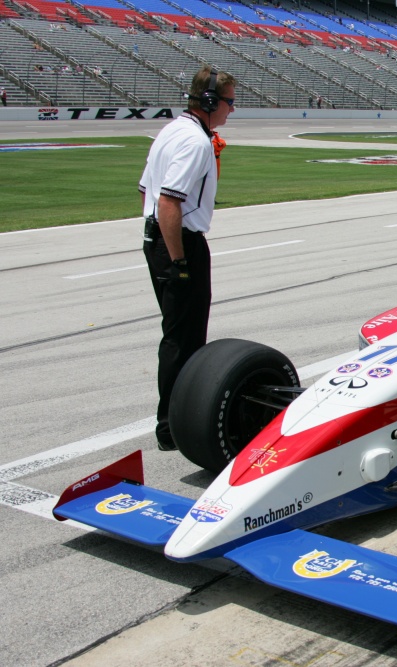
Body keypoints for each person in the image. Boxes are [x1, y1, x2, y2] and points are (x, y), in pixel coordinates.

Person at [139, 67, 236, 451]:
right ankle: (173, 426)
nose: (232, 109)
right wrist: (179, 260)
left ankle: (174, 421)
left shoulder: (171, 131)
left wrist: (157, 243)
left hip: (159, 239)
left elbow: (144, 190)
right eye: (229, 101)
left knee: (178, 334)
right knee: (184, 338)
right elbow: (168, 200)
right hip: (179, 243)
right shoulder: (195, 142)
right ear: (210, 101)